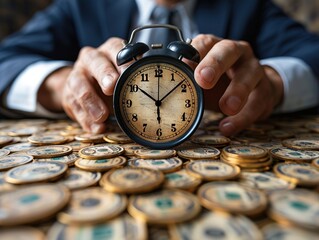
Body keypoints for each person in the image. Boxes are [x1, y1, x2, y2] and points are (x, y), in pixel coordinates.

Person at [0, 0, 319, 136]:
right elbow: (6, 60)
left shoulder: (249, 6)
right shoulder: (81, 6)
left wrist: (272, 85)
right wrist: (62, 85)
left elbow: (312, 54)